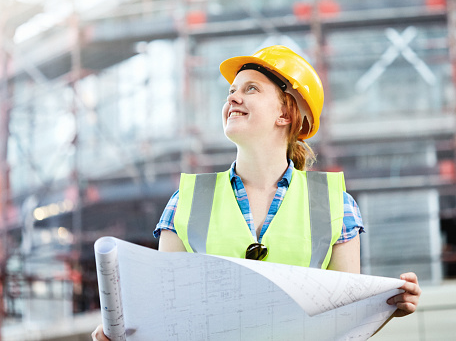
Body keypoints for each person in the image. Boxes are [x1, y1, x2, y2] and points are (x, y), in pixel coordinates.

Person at [92, 45, 421, 341]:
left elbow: (344, 321)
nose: (232, 98)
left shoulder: (336, 204)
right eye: (231, 91)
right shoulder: (186, 201)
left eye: (250, 89)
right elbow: (167, 315)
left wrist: (388, 306)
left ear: (285, 113)